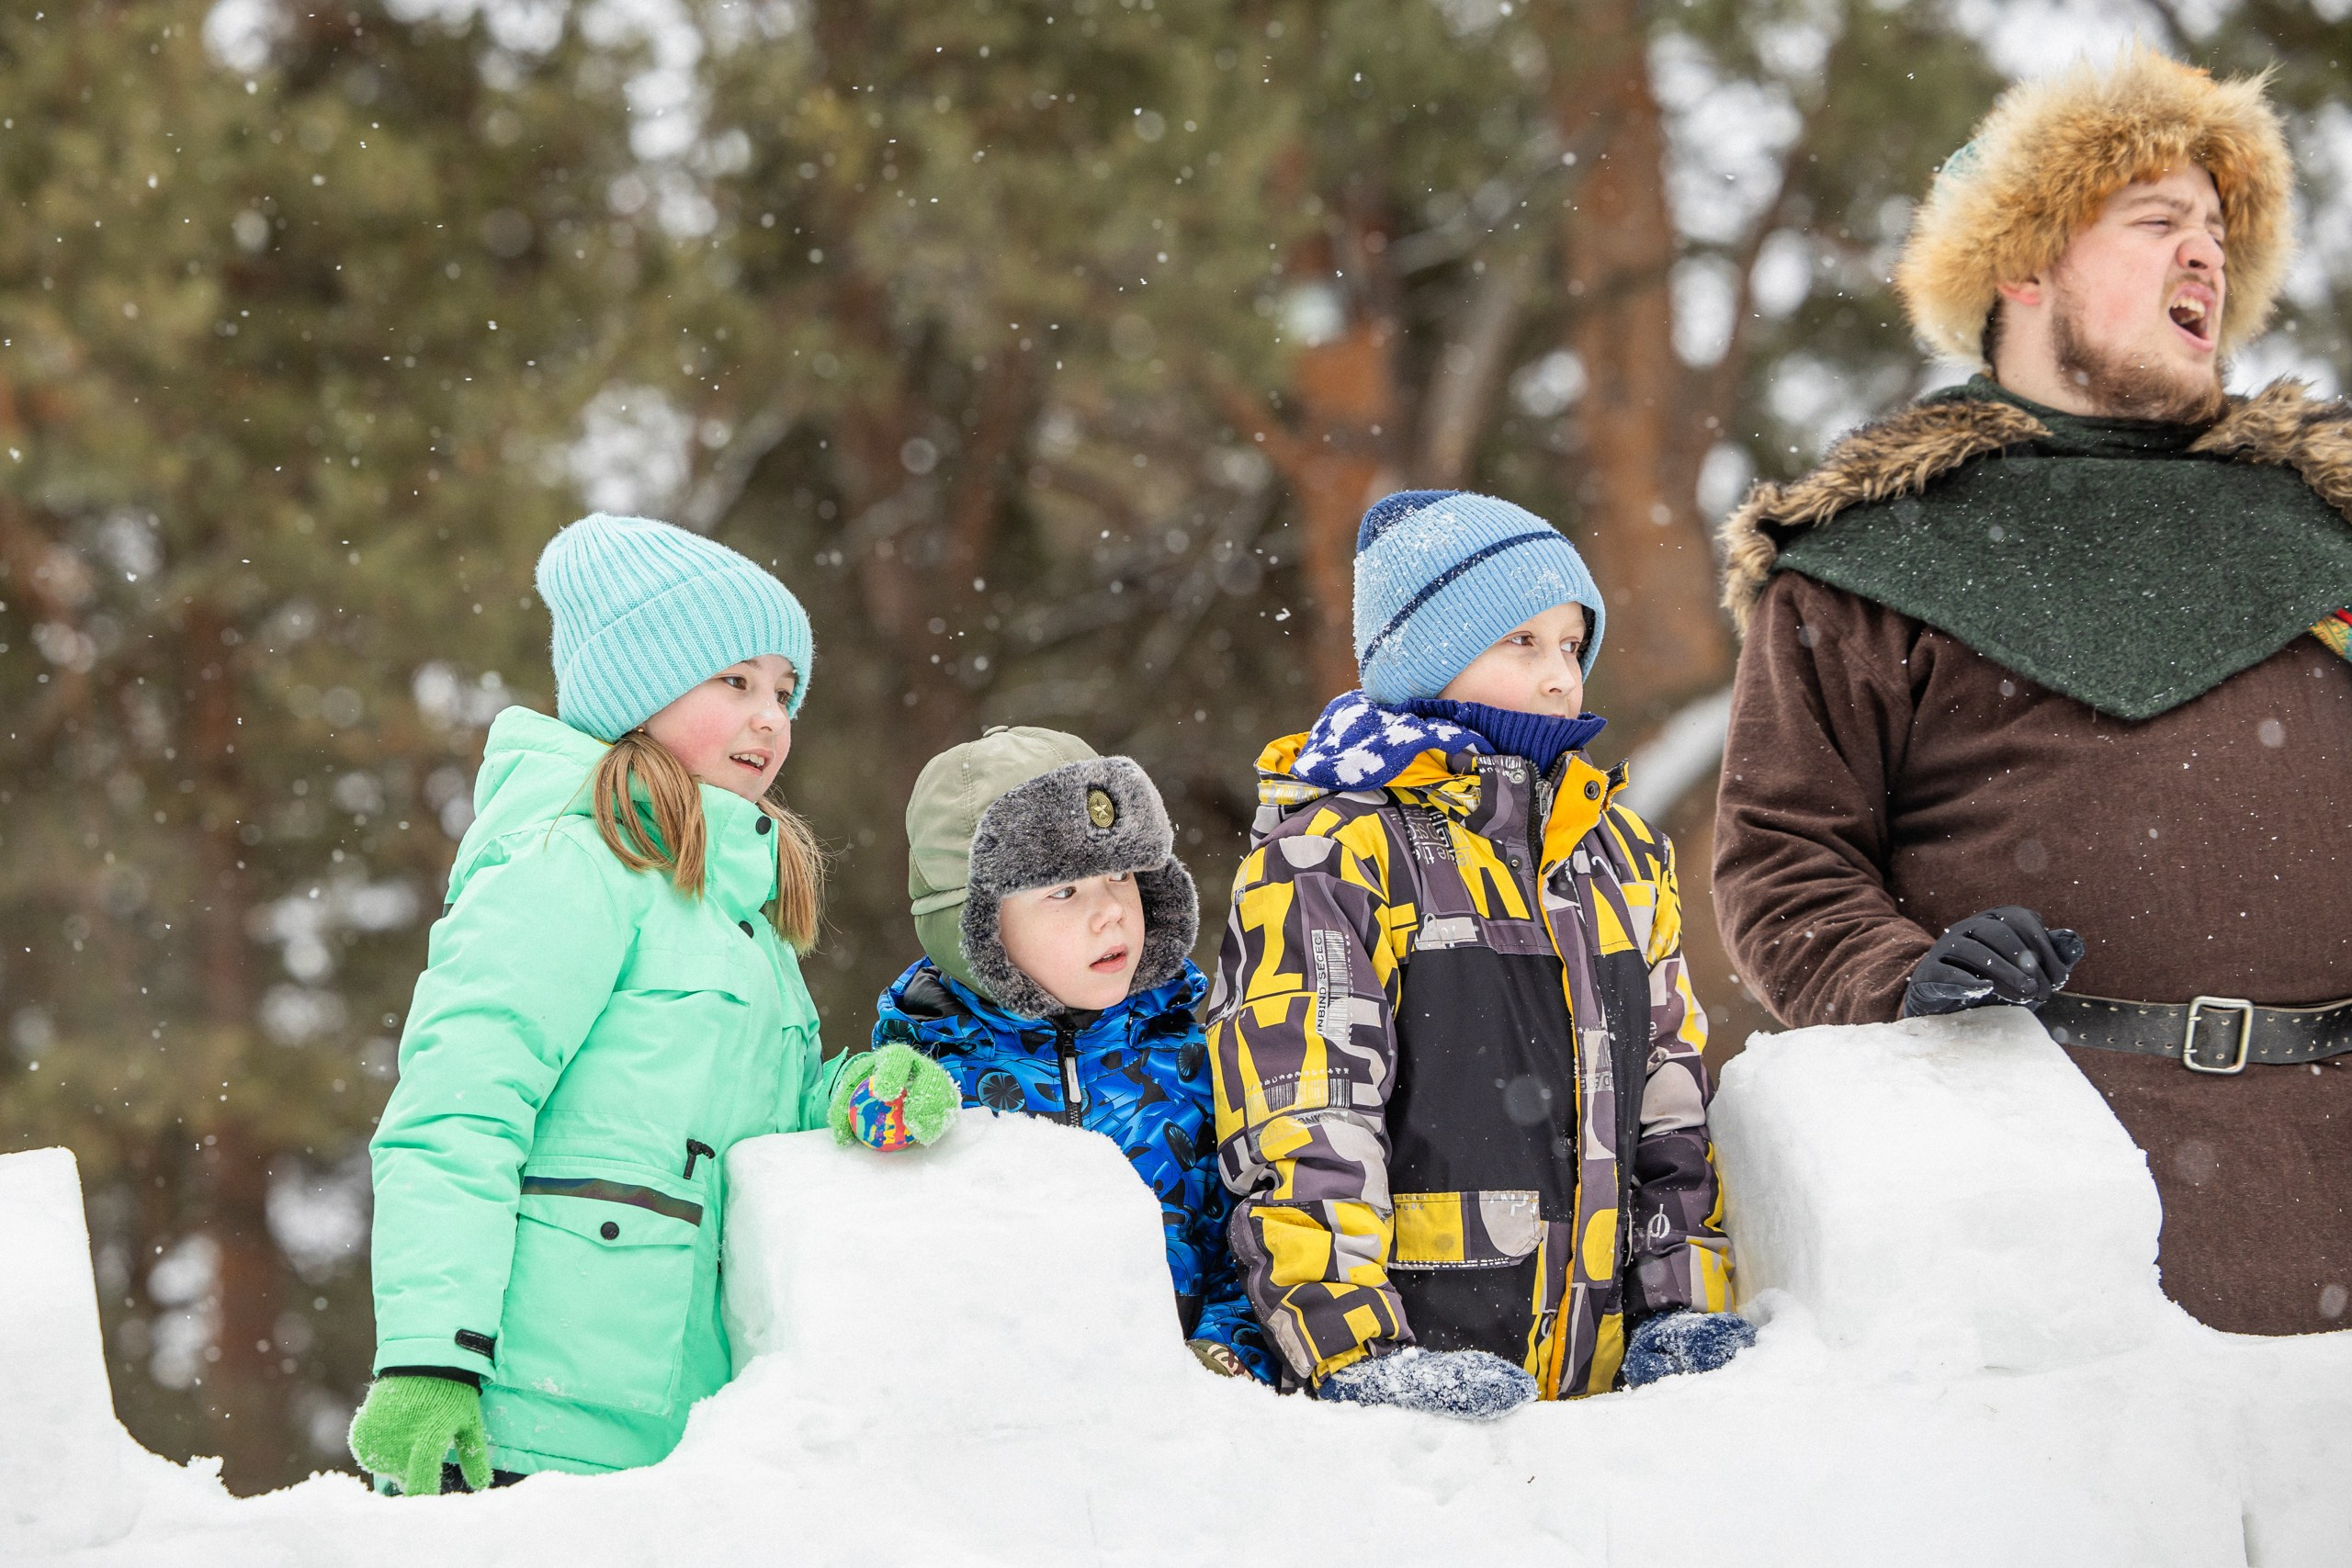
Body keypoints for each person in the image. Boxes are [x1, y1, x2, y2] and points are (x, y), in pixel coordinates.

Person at [1714, 47, 2352, 1334]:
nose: (2206, 257)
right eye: (2158, 220)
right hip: (2050, 1225)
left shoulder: (2325, 534)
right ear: (2027, 261)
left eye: (2220, 232)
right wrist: (1907, 973)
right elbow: (1782, 862)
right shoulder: (1871, 558)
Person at [1204, 491, 1750, 1419]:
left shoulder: (1615, 852)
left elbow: (1670, 1096)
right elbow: (1303, 1113)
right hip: (1416, 1381)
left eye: (1572, 646)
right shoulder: (1333, 852)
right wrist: (1352, 1348)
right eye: (1522, 643)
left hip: (1601, 1401)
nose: (1558, 678)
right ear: (1428, 658)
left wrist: (1679, 1306)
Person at [350, 513, 843, 1494]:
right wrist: (428, 1357)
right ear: (641, 691)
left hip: (692, 1430)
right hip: (532, 1420)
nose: (769, 717)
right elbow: (460, 1106)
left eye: (783, 692)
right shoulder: (572, 863)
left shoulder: (736, 910)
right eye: (734, 682)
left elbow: (755, 1133)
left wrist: (857, 1097)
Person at [837, 727, 1272, 1382]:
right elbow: (872, 1259)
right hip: (1007, 1427)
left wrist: (1227, 1348)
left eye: (1121, 873)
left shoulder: (1199, 1048)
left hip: (1183, 1422)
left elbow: (1262, 1228)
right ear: (975, 926)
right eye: (1063, 891)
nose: (1112, 913)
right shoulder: (931, 1066)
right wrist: (866, 1100)